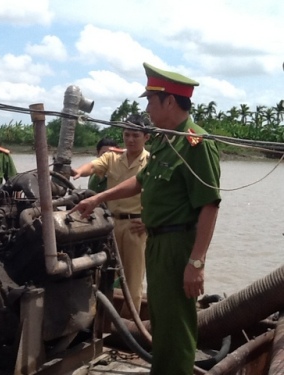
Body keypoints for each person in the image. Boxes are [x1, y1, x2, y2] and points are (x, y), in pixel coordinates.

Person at [70, 63, 221, 375]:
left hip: (178, 245)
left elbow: (209, 205)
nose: (148, 108)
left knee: (177, 326)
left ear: (169, 101)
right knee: (164, 322)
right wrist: (97, 197)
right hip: (156, 240)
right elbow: (141, 182)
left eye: (151, 101)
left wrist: (196, 263)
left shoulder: (196, 143)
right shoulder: (166, 142)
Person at [72, 115, 150, 318]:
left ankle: (128, 325)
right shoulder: (113, 157)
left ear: (146, 137)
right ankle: (101, 322)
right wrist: (78, 171)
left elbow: (163, 196)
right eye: (126, 135)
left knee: (132, 280)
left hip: (136, 225)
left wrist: (150, 219)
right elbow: (94, 165)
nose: (130, 139)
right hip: (110, 224)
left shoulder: (152, 162)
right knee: (104, 274)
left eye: (135, 135)